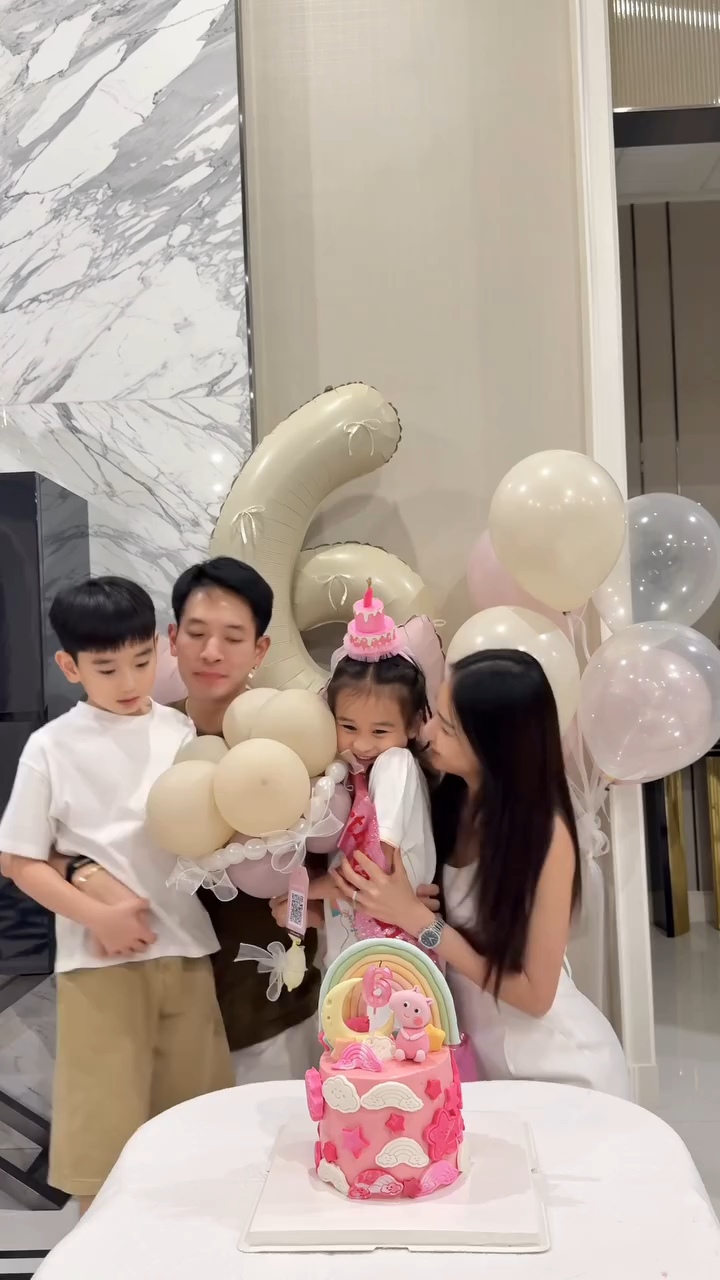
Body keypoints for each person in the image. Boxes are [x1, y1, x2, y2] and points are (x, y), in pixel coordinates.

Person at [0, 578, 233, 1212]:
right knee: (102, 1145)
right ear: (69, 666)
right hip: (97, 966)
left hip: (185, 952)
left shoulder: (180, 733)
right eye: (106, 668)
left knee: (201, 1132)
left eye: (141, 660)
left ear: (160, 646)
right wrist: (97, 916)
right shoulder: (51, 746)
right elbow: (18, 860)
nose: (129, 680)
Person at [51, 558, 321, 1084]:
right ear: (172, 640)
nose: (212, 651)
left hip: (269, 1008)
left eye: (233, 637)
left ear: (260, 650)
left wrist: (326, 903)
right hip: (152, 1004)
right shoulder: (128, 732)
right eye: (196, 633)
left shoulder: (295, 736)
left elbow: (339, 848)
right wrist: (86, 878)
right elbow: (54, 843)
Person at [331, 649, 631, 1098]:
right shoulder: (448, 799)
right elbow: (392, 893)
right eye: (437, 715)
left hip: (562, 1069)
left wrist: (425, 923)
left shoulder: (545, 835)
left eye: (448, 727)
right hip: (488, 1068)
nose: (427, 732)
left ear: (495, 745)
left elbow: (536, 996)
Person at [274, 587, 436, 966]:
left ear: (413, 724)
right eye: (348, 726)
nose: (362, 744)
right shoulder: (348, 780)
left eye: (380, 731)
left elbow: (373, 864)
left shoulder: (395, 764)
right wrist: (303, 906)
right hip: (354, 956)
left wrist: (309, 891)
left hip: (393, 959)